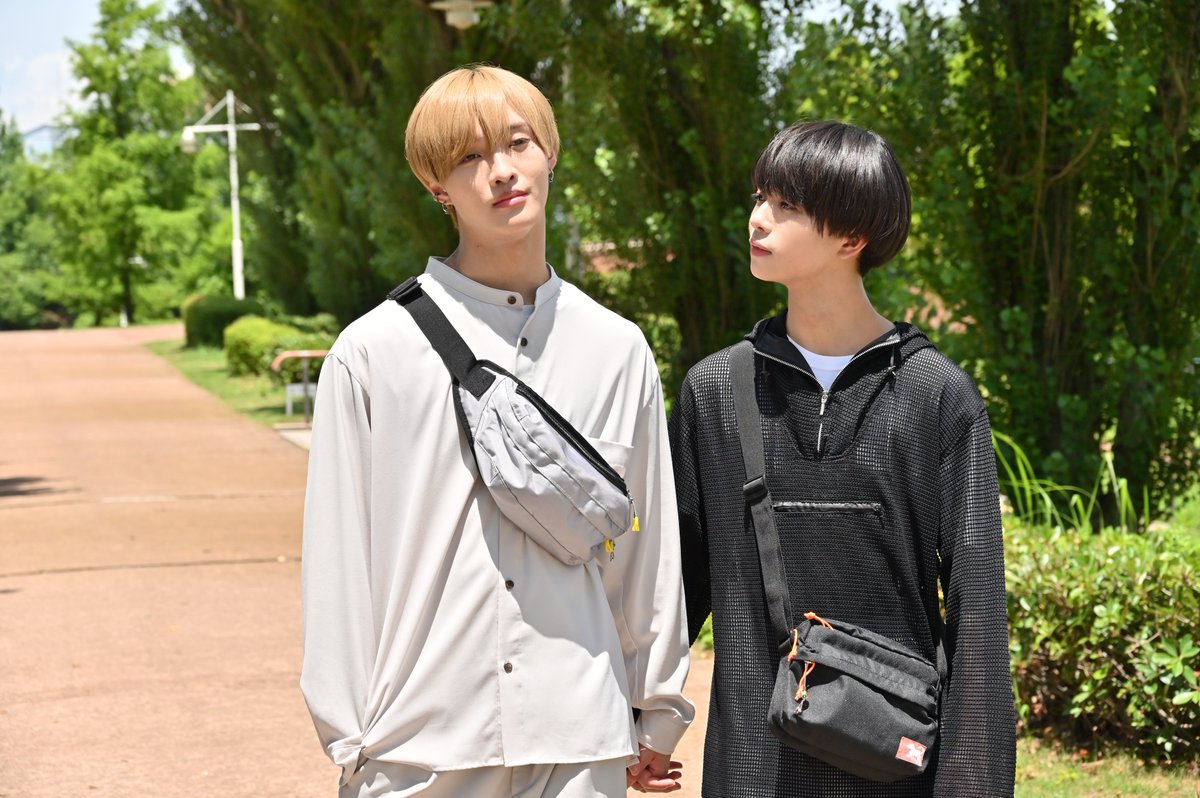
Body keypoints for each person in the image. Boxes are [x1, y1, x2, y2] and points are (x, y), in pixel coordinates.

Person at [300, 65, 693, 798]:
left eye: (518, 143)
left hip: (581, 733)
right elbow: (339, 559)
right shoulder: (374, 352)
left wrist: (655, 709)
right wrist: (352, 739)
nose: (501, 171)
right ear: (436, 187)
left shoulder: (616, 349)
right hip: (421, 740)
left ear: (551, 152)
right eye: (469, 157)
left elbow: (645, 547)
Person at [670, 120, 1016, 797]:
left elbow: (976, 610)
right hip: (752, 765)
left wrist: (972, 784)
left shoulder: (936, 396)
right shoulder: (714, 392)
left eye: (786, 205)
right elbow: (675, 589)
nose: (757, 218)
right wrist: (637, 718)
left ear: (852, 236)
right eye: (760, 197)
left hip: (893, 768)